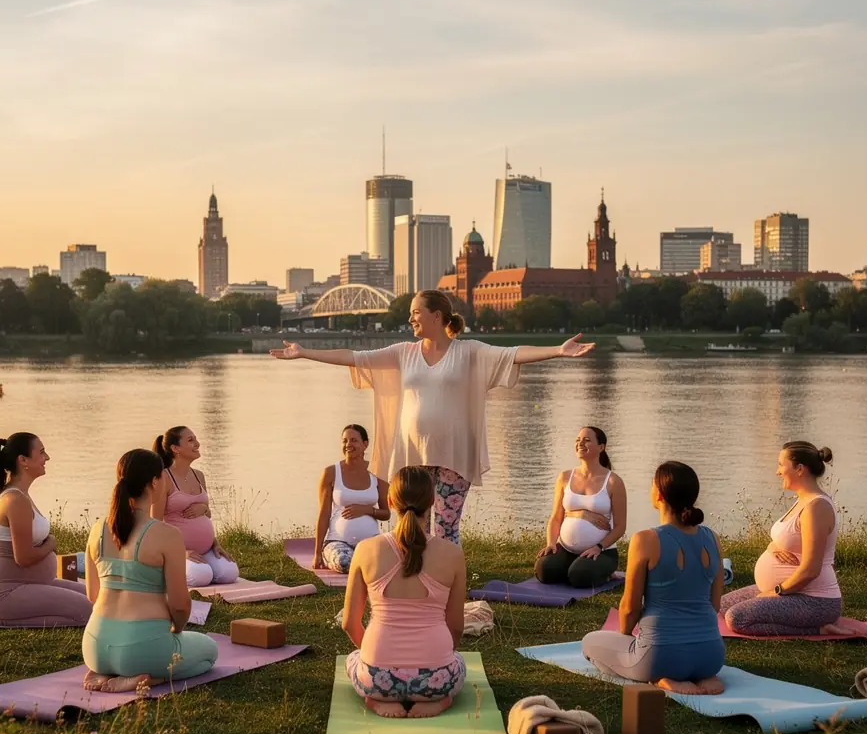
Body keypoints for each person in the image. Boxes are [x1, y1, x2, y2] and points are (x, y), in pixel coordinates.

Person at [272, 289, 594, 544]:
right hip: (414, 455)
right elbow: (354, 357)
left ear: (435, 315)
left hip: (454, 454)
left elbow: (512, 354)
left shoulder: (468, 352)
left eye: (415, 312)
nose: (410, 317)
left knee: (446, 527)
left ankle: (447, 591)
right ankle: (410, 589)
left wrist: (557, 350)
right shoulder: (403, 353)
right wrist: (304, 352)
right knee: (412, 526)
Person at [581, 461, 726, 695]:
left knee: (589, 643)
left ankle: (664, 678)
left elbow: (630, 607)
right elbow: (715, 604)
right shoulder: (713, 539)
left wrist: (626, 642)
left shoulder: (645, 540)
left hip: (661, 656)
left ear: (658, 494)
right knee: (691, 657)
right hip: (711, 655)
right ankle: (705, 678)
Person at [83, 449, 219, 693]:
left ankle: (108, 671)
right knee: (209, 652)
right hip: (141, 649)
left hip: (94, 646)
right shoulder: (166, 535)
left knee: (176, 649)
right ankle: (148, 678)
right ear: (155, 482)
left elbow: (93, 595)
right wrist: (175, 632)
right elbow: (180, 605)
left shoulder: (97, 529)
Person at [342, 466, 467, 718]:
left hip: (377, 678)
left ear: (390, 501)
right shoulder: (452, 554)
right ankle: (438, 701)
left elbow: (349, 624)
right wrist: (435, 658)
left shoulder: (366, 550)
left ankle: (376, 700)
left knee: (353, 659)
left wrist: (376, 655)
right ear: (432, 501)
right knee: (460, 663)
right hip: (437, 679)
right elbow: (456, 627)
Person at [0, 433, 93, 627]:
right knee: (90, 613)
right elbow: (23, 558)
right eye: (41, 453)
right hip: (4, 593)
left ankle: (5, 616)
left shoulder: (21, 495)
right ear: (22, 460)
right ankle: (1, 619)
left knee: (97, 599)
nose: (46, 458)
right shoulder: (15, 500)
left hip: (30, 584)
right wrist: (51, 544)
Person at [720, 442, 843, 636]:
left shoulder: (816, 508)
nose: (777, 472)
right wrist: (773, 548)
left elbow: (811, 570)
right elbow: (789, 538)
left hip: (814, 600)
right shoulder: (802, 500)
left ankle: (818, 629)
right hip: (789, 592)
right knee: (719, 607)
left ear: (800, 469)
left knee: (737, 618)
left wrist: (777, 590)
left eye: (780, 465)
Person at [535, 426, 627, 588]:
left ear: (601, 447)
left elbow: (620, 527)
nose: (580, 444)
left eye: (587, 440)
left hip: (601, 551)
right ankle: (572, 567)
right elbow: (556, 517)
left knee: (580, 576)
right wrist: (551, 543)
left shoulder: (613, 482)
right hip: (566, 548)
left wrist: (599, 547)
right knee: (544, 570)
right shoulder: (564, 477)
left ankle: (605, 573)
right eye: (578, 440)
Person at [150, 426, 239, 588]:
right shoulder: (163, 478)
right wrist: (180, 553)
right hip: (176, 552)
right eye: (191, 440)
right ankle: (167, 569)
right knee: (201, 577)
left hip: (206, 549)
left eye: (196, 439)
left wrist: (215, 544)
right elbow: (154, 524)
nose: (197, 444)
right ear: (175, 448)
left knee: (230, 573)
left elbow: (207, 515)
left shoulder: (199, 475)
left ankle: (203, 566)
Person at [314, 423, 390, 573]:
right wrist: (317, 553)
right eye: (345, 441)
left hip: (370, 541)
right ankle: (364, 566)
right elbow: (324, 514)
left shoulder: (378, 472)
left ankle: (366, 563)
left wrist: (367, 510)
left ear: (365, 444)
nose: (348, 444)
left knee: (388, 561)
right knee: (344, 562)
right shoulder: (331, 473)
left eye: (354, 440)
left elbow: (386, 513)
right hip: (338, 541)